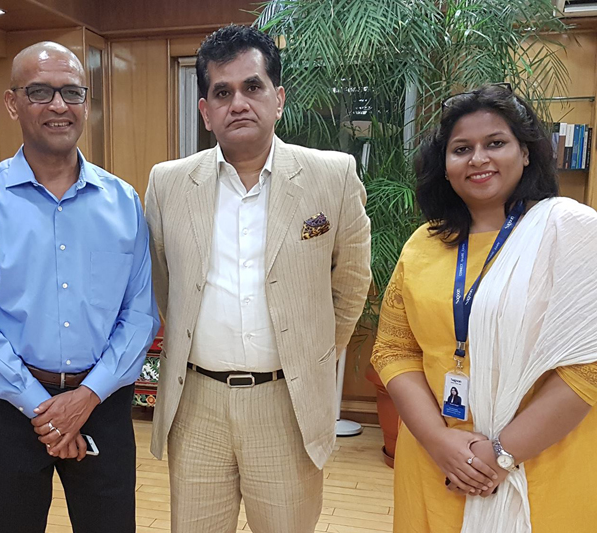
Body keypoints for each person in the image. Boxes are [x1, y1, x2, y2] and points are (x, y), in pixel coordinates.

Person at [144, 25, 371, 533]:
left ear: (278, 98)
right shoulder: (168, 183)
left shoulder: (331, 176)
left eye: (253, 87)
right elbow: (165, 284)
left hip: (285, 403)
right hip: (197, 403)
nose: (238, 103)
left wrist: (311, 354)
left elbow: (351, 282)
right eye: (222, 92)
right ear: (205, 111)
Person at [0, 42, 159, 533]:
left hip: (101, 404)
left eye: (71, 92)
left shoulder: (123, 201)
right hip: (9, 409)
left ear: (87, 102)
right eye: (40, 92)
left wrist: (84, 398)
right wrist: (42, 409)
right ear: (12, 102)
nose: (59, 106)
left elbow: (139, 314)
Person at [371, 83, 597, 533]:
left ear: (527, 153)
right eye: (461, 148)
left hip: (538, 463)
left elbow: (586, 368)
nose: (478, 159)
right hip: (436, 461)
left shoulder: (571, 234)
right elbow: (393, 349)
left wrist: (498, 455)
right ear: (446, 165)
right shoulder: (423, 244)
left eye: (495, 143)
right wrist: (439, 442)